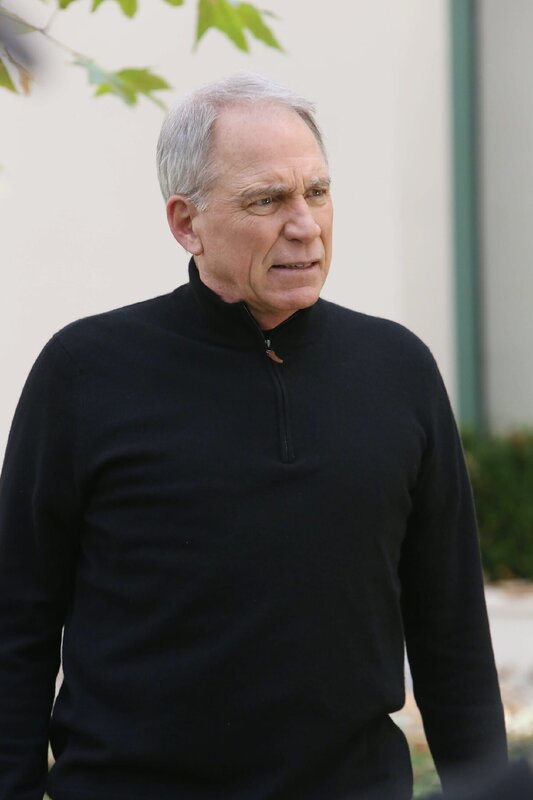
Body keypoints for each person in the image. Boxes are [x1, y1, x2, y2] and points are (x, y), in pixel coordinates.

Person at [0, 73, 507, 800]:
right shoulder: (84, 372)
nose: (304, 225)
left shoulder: (399, 369)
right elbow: (16, 621)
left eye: (317, 192)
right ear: (187, 223)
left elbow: (450, 628)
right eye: (266, 200)